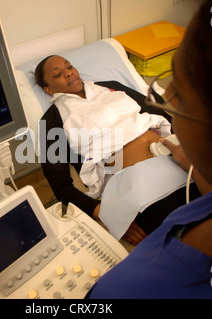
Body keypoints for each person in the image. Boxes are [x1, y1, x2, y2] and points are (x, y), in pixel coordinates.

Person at [86, 0, 212, 298]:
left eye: (179, 95)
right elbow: (58, 177)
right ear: (48, 88)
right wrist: (93, 206)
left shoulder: (133, 290)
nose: (164, 96)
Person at [35, 55, 201, 245]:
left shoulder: (111, 86)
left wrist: (190, 145)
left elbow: (158, 112)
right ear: (48, 89)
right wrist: (105, 213)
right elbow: (60, 186)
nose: (68, 73)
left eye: (69, 66)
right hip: (143, 187)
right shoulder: (51, 120)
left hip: (178, 159)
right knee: (190, 238)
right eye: (57, 74)